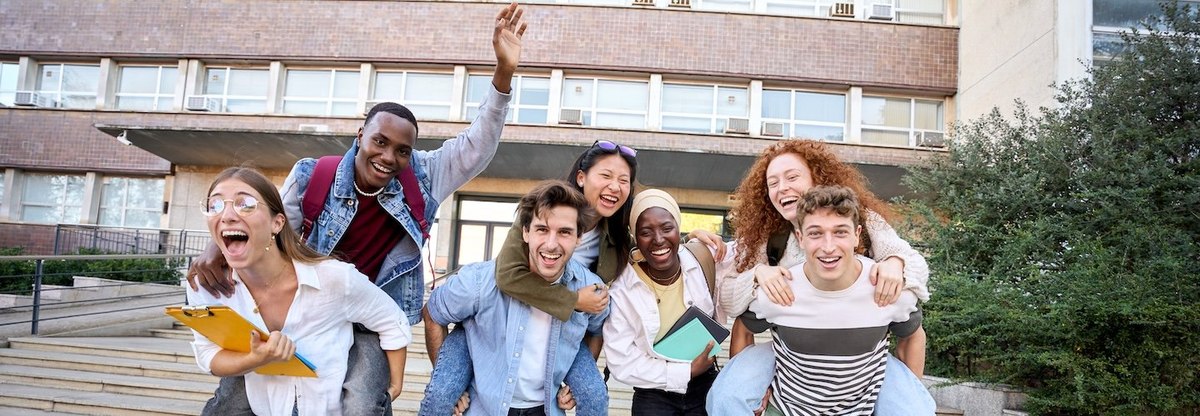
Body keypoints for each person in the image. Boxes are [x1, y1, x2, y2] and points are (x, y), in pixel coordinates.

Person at [186, 3, 528, 414]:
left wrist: (503, 74)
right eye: (380, 142)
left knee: (363, 401)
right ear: (361, 134)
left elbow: (477, 145)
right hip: (312, 307)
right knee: (235, 398)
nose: (388, 156)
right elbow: (267, 230)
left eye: (403, 150)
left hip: (373, 313)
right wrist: (219, 249)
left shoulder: (423, 177)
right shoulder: (312, 176)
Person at [694, 139, 931, 415]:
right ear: (801, 236)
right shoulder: (768, 237)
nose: (782, 187)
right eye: (773, 183)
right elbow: (734, 298)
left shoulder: (863, 219)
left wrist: (895, 262)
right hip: (794, 347)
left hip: (861, 349)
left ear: (818, 177)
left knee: (913, 407)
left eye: (792, 177)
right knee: (727, 397)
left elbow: (915, 265)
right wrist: (758, 273)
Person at [420, 139, 638, 415]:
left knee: (594, 396)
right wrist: (572, 301)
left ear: (578, 236)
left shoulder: (616, 234)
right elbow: (507, 278)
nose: (615, 186)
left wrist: (697, 244)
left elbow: (655, 243)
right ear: (582, 178)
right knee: (442, 393)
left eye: (624, 180)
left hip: (563, 329)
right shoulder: (543, 208)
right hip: (497, 319)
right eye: (606, 176)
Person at [187, 167, 411, 416]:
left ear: (277, 222)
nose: (227, 215)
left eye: (246, 203)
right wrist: (256, 359)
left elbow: (393, 320)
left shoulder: (334, 278)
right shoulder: (206, 286)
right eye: (215, 205)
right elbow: (208, 353)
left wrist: (395, 384)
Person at [741, 185, 932, 415]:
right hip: (787, 409)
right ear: (801, 238)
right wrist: (749, 385)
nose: (828, 247)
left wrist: (909, 396)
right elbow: (743, 329)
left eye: (840, 232)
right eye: (815, 233)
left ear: (857, 235)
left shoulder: (886, 288)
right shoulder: (779, 289)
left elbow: (913, 336)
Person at [603, 189, 729, 415]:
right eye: (646, 232)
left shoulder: (702, 259)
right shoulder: (623, 289)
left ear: (678, 228)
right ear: (635, 237)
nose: (658, 239)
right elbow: (621, 362)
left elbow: (746, 257)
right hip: (653, 394)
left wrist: (762, 272)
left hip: (706, 386)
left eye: (667, 228)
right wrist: (686, 371)